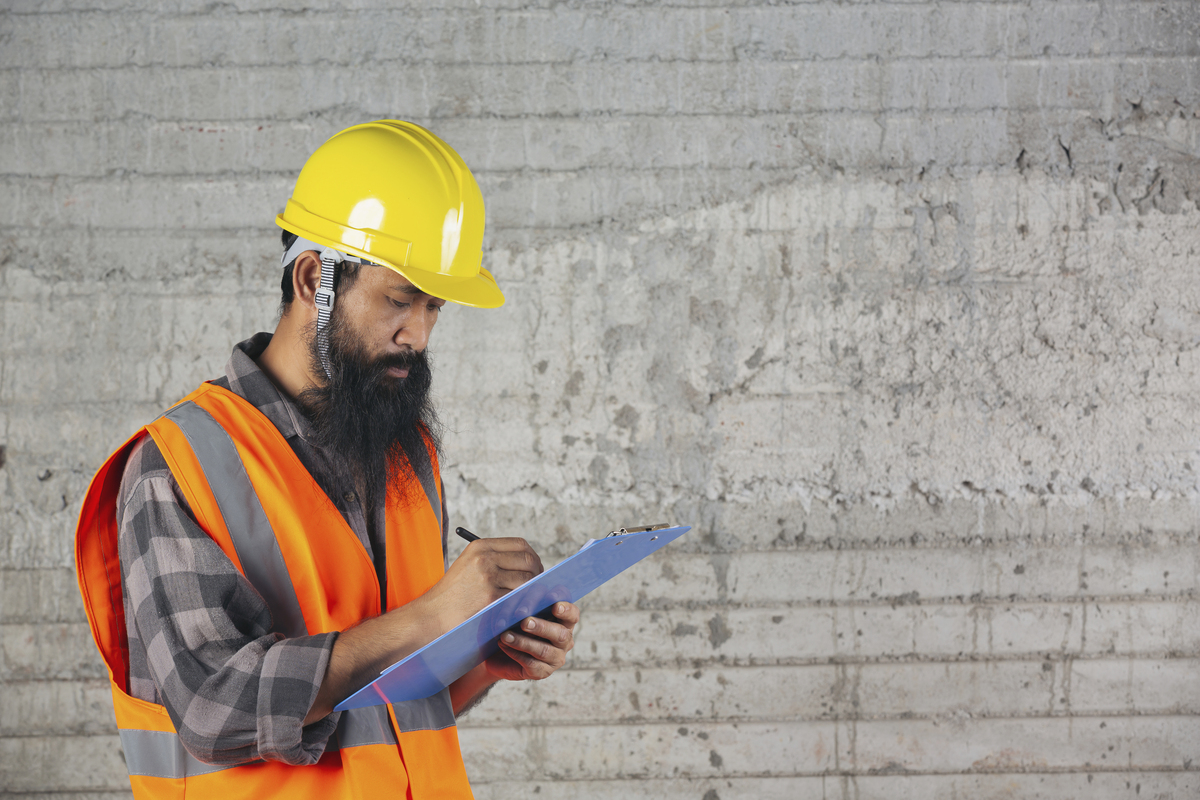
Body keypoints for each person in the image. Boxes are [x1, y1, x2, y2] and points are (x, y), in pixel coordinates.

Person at [75, 120, 579, 798]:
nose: (419, 334)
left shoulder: (405, 453)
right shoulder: (179, 465)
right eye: (399, 300)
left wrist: (487, 653)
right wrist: (434, 615)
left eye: (434, 307)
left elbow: (387, 712)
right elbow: (211, 706)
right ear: (314, 278)